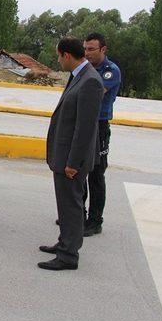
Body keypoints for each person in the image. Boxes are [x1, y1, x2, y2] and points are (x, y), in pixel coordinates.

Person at [39, 37, 104, 271]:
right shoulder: (79, 76)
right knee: (65, 204)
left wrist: (73, 162)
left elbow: (85, 128)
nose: (58, 60)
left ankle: (68, 256)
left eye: (58, 56)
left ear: (67, 55)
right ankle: (64, 243)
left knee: (72, 205)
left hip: (72, 160)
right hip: (65, 156)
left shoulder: (90, 81)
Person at [82, 32, 121, 236]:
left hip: (99, 126)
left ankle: (95, 221)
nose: (87, 53)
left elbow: (93, 92)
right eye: (85, 49)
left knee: (96, 175)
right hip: (83, 125)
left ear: (103, 50)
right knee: (79, 171)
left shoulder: (110, 71)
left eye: (91, 49)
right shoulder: (85, 69)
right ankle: (78, 215)